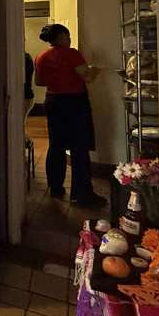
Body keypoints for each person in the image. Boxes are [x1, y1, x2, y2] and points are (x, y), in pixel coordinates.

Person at [34, 23, 105, 207]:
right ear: (62, 37)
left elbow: (39, 81)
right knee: (79, 148)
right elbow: (87, 77)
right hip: (74, 103)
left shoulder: (41, 56)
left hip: (53, 102)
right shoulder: (71, 53)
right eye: (68, 36)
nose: (70, 39)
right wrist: (95, 70)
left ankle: (55, 187)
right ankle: (81, 194)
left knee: (56, 144)